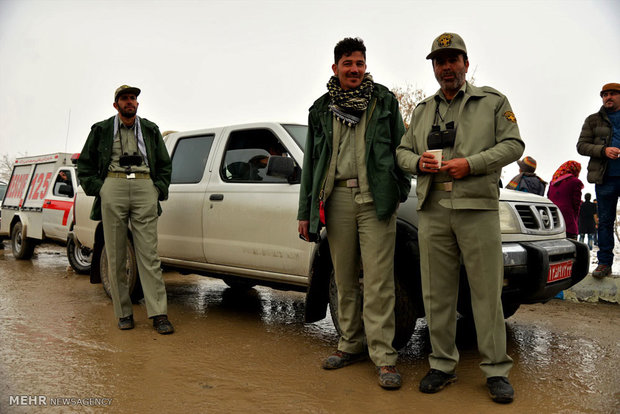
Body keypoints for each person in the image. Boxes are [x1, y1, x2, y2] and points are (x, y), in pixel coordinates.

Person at [396, 32, 524, 403]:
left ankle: (496, 370)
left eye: (453, 60)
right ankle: (441, 365)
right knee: (436, 293)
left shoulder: (492, 102)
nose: (446, 67)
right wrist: (417, 162)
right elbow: (403, 152)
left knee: (486, 294)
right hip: (433, 211)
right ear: (434, 68)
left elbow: (514, 144)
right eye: (439, 61)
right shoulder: (421, 112)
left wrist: (471, 164)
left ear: (465, 63)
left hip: (477, 209)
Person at [297, 37, 410, 389]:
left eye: (359, 63)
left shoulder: (384, 102)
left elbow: (402, 150)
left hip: (375, 201)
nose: (354, 70)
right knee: (344, 279)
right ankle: (350, 344)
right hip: (337, 200)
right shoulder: (320, 109)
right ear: (335, 68)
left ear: (365, 66)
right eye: (347, 64)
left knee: (378, 281)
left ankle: (384, 358)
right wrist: (305, 212)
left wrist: (397, 192)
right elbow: (311, 164)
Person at [77, 85, 174, 334]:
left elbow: (164, 164)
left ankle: (159, 313)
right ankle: (124, 313)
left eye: (133, 98)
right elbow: (85, 165)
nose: (129, 102)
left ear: (137, 104)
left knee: (149, 255)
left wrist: (157, 189)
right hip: (113, 184)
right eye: (124, 98)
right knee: (116, 254)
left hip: (143, 186)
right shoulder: (101, 129)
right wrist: (101, 188)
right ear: (116, 104)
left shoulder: (150, 129)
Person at [577, 82, 620, 277]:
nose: (608, 97)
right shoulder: (593, 120)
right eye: (605, 95)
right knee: (604, 222)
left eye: (612, 94)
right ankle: (604, 263)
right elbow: (581, 146)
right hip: (605, 178)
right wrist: (603, 150)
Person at [547, 161, 583, 240]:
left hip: (553, 219)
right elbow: (576, 204)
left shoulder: (553, 182)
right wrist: (575, 218)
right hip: (568, 221)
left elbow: (548, 198)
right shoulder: (575, 182)